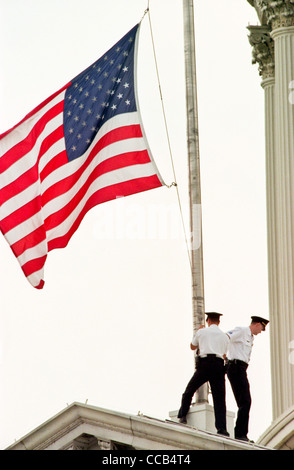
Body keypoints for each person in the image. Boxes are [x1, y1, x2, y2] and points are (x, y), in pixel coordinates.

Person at [177, 312, 230, 437]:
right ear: (218, 322)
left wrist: (198, 332)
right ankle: (222, 428)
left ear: (208, 321)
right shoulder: (225, 336)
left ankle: (182, 415)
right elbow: (223, 354)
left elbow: (192, 346)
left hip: (205, 364)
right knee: (219, 398)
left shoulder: (202, 332)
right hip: (218, 365)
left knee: (190, 389)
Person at [226, 315, 269, 442]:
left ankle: (241, 433)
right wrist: (223, 353)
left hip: (241, 369)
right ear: (257, 325)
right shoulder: (242, 331)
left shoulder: (250, 337)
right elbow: (225, 337)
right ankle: (240, 434)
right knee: (245, 401)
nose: (260, 332)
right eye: (261, 328)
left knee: (244, 402)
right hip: (235, 367)